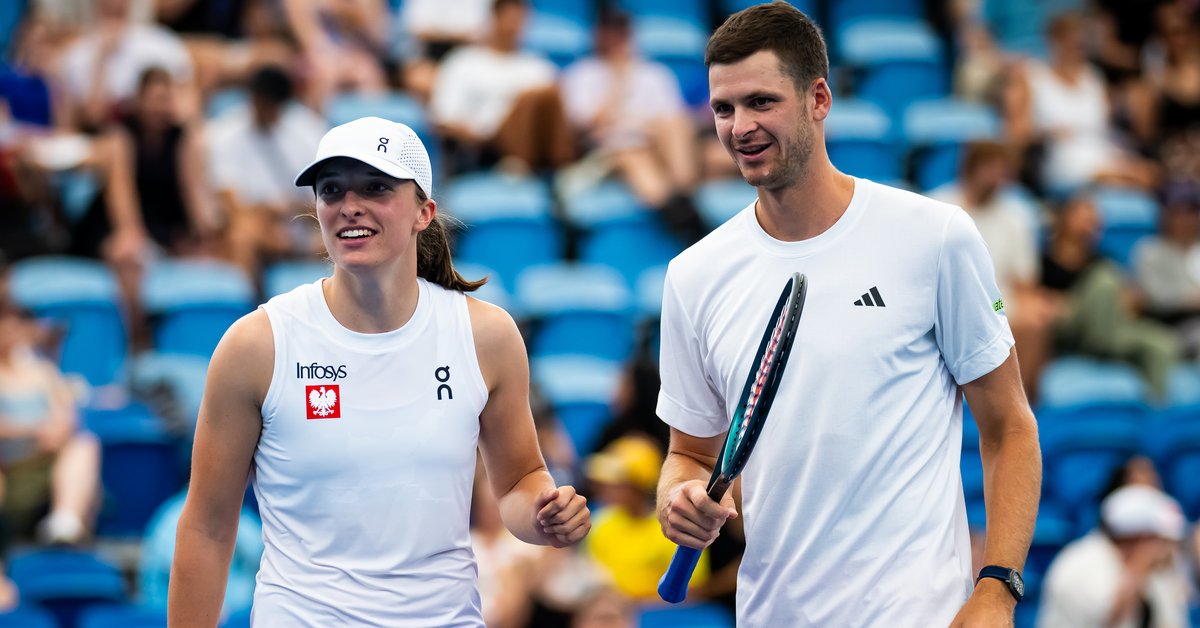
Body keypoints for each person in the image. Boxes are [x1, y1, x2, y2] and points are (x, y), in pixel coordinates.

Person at [653, 4, 1042, 626]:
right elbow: (689, 453)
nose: (740, 127)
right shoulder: (693, 275)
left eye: (761, 102)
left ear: (819, 99)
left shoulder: (935, 236)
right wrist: (678, 497)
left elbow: (1010, 427)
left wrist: (997, 587)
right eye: (723, 109)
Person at [168, 116, 591, 626]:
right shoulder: (257, 345)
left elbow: (519, 482)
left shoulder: (487, 336)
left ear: (423, 212)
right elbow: (207, 527)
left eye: (375, 187)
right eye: (331, 189)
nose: (349, 205)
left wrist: (545, 516)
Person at [0, 300, 101, 547]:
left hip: (45, 464)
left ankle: (64, 523)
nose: (9, 331)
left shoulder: (43, 372)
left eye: (15, 324)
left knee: (84, 446)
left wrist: (53, 433)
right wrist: (36, 431)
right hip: (7, 468)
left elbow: (65, 418)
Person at [1037, 485, 1191, 628]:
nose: (1171, 551)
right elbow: (1106, 621)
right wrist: (1136, 570)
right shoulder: (1082, 564)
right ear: (1141, 538)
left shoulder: (1155, 572)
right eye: (1164, 542)